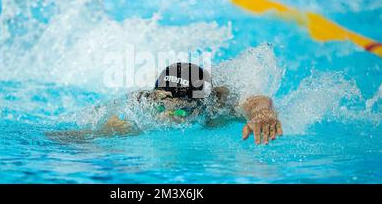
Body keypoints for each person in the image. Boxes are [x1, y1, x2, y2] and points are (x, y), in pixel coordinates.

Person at [47, 62, 282, 145]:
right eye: (161, 107)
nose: (165, 116)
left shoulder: (217, 108)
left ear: (199, 107)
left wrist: (262, 114)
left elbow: (258, 101)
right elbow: (87, 131)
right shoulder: (143, 102)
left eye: (180, 110)